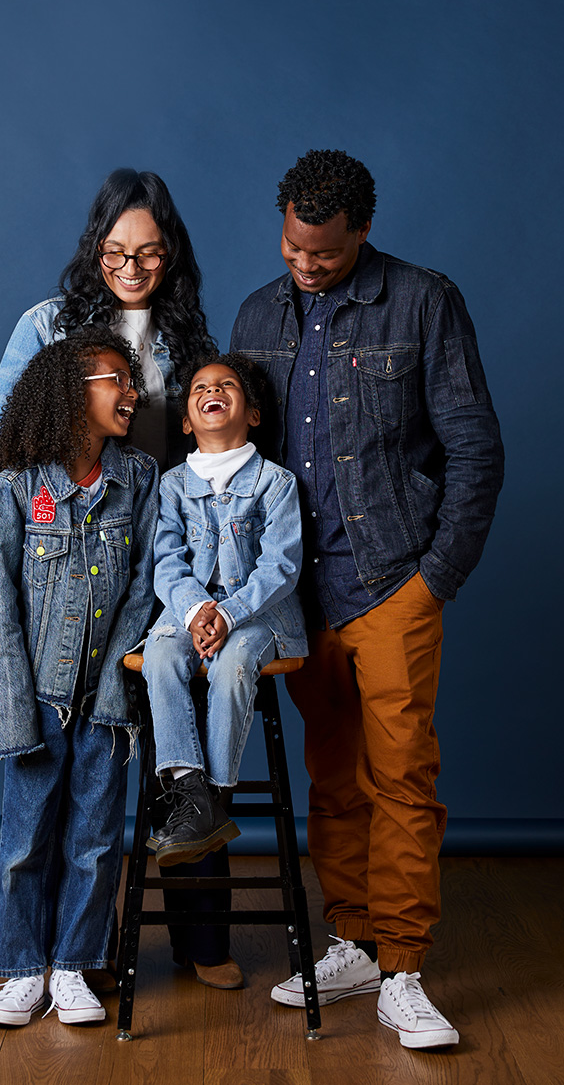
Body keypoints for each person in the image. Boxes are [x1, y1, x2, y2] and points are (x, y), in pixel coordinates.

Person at [230, 150, 504, 1050]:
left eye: (325, 254)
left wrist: (435, 582)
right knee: (332, 778)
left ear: (363, 232)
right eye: (292, 248)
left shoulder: (424, 302)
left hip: (391, 585)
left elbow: (475, 450)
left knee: (403, 779)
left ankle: (404, 969)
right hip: (295, 594)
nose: (304, 267)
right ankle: (350, 936)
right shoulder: (257, 312)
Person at [0, 169, 242, 991]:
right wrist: (20, 574)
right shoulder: (47, 327)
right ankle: (48, 961)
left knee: (179, 748)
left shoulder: (187, 338)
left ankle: (201, 940)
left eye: (151, 254)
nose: (132, 268)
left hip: (173, 576)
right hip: (71, 576)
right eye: (117, 251)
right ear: (96, 249)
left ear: (172, 258)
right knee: (75, 770)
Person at [0, 329, 158, 1027]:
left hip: (107, 697)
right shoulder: (18, 487)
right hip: (39, 698)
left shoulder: (139, 478)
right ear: (73, 392)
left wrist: (118, 682)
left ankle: (76, 964)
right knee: (26, 840)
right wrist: (14, 708)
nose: (132, 394)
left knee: (94, 837)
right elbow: (2, 605)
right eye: (118, 380)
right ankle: (23, 967)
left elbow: (145, 587)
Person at [142, 354, 307, 866]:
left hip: (258, 615)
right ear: (187, 421)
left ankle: (214, 799)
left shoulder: (275, 483)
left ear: (252, 413)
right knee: (159, 657)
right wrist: (195, 613)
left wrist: (228, 614)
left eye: (227, 385)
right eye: (200, 388)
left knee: (234, 664)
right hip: (187, 614)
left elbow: (280, 566)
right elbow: (166, 562)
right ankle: (191, 792)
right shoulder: (171, 485)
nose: (213, 389)